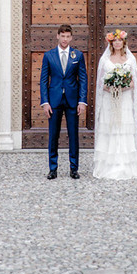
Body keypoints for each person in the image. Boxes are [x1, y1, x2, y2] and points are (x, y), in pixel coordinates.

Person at [40, 24, 88, 179]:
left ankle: (74, 168)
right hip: (54, 102)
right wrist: (45, 102)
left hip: (72, 101)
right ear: (57, 36)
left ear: (71, 38)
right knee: (53, 135)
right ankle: (53, 168)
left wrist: (82, 101)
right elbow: (43, 80)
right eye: (62, 36)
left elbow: (83, 79)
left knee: (73, 135)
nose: (65, 39)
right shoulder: (49, 56)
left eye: (68, 36)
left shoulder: (78, 55)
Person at [93, 29, 137, 180]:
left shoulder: (130, 60)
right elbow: (101, 83)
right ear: (111, 43)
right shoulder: (105, 60)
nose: (117, 43)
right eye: (115, 41)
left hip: (124, 99)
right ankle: (108, 165)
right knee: (110, 127)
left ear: (124, 42)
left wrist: (121, 87)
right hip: (109, 99)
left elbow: (133, 82)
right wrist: (111, 87)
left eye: (120, 40)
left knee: (123, 127)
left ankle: (125, 166)